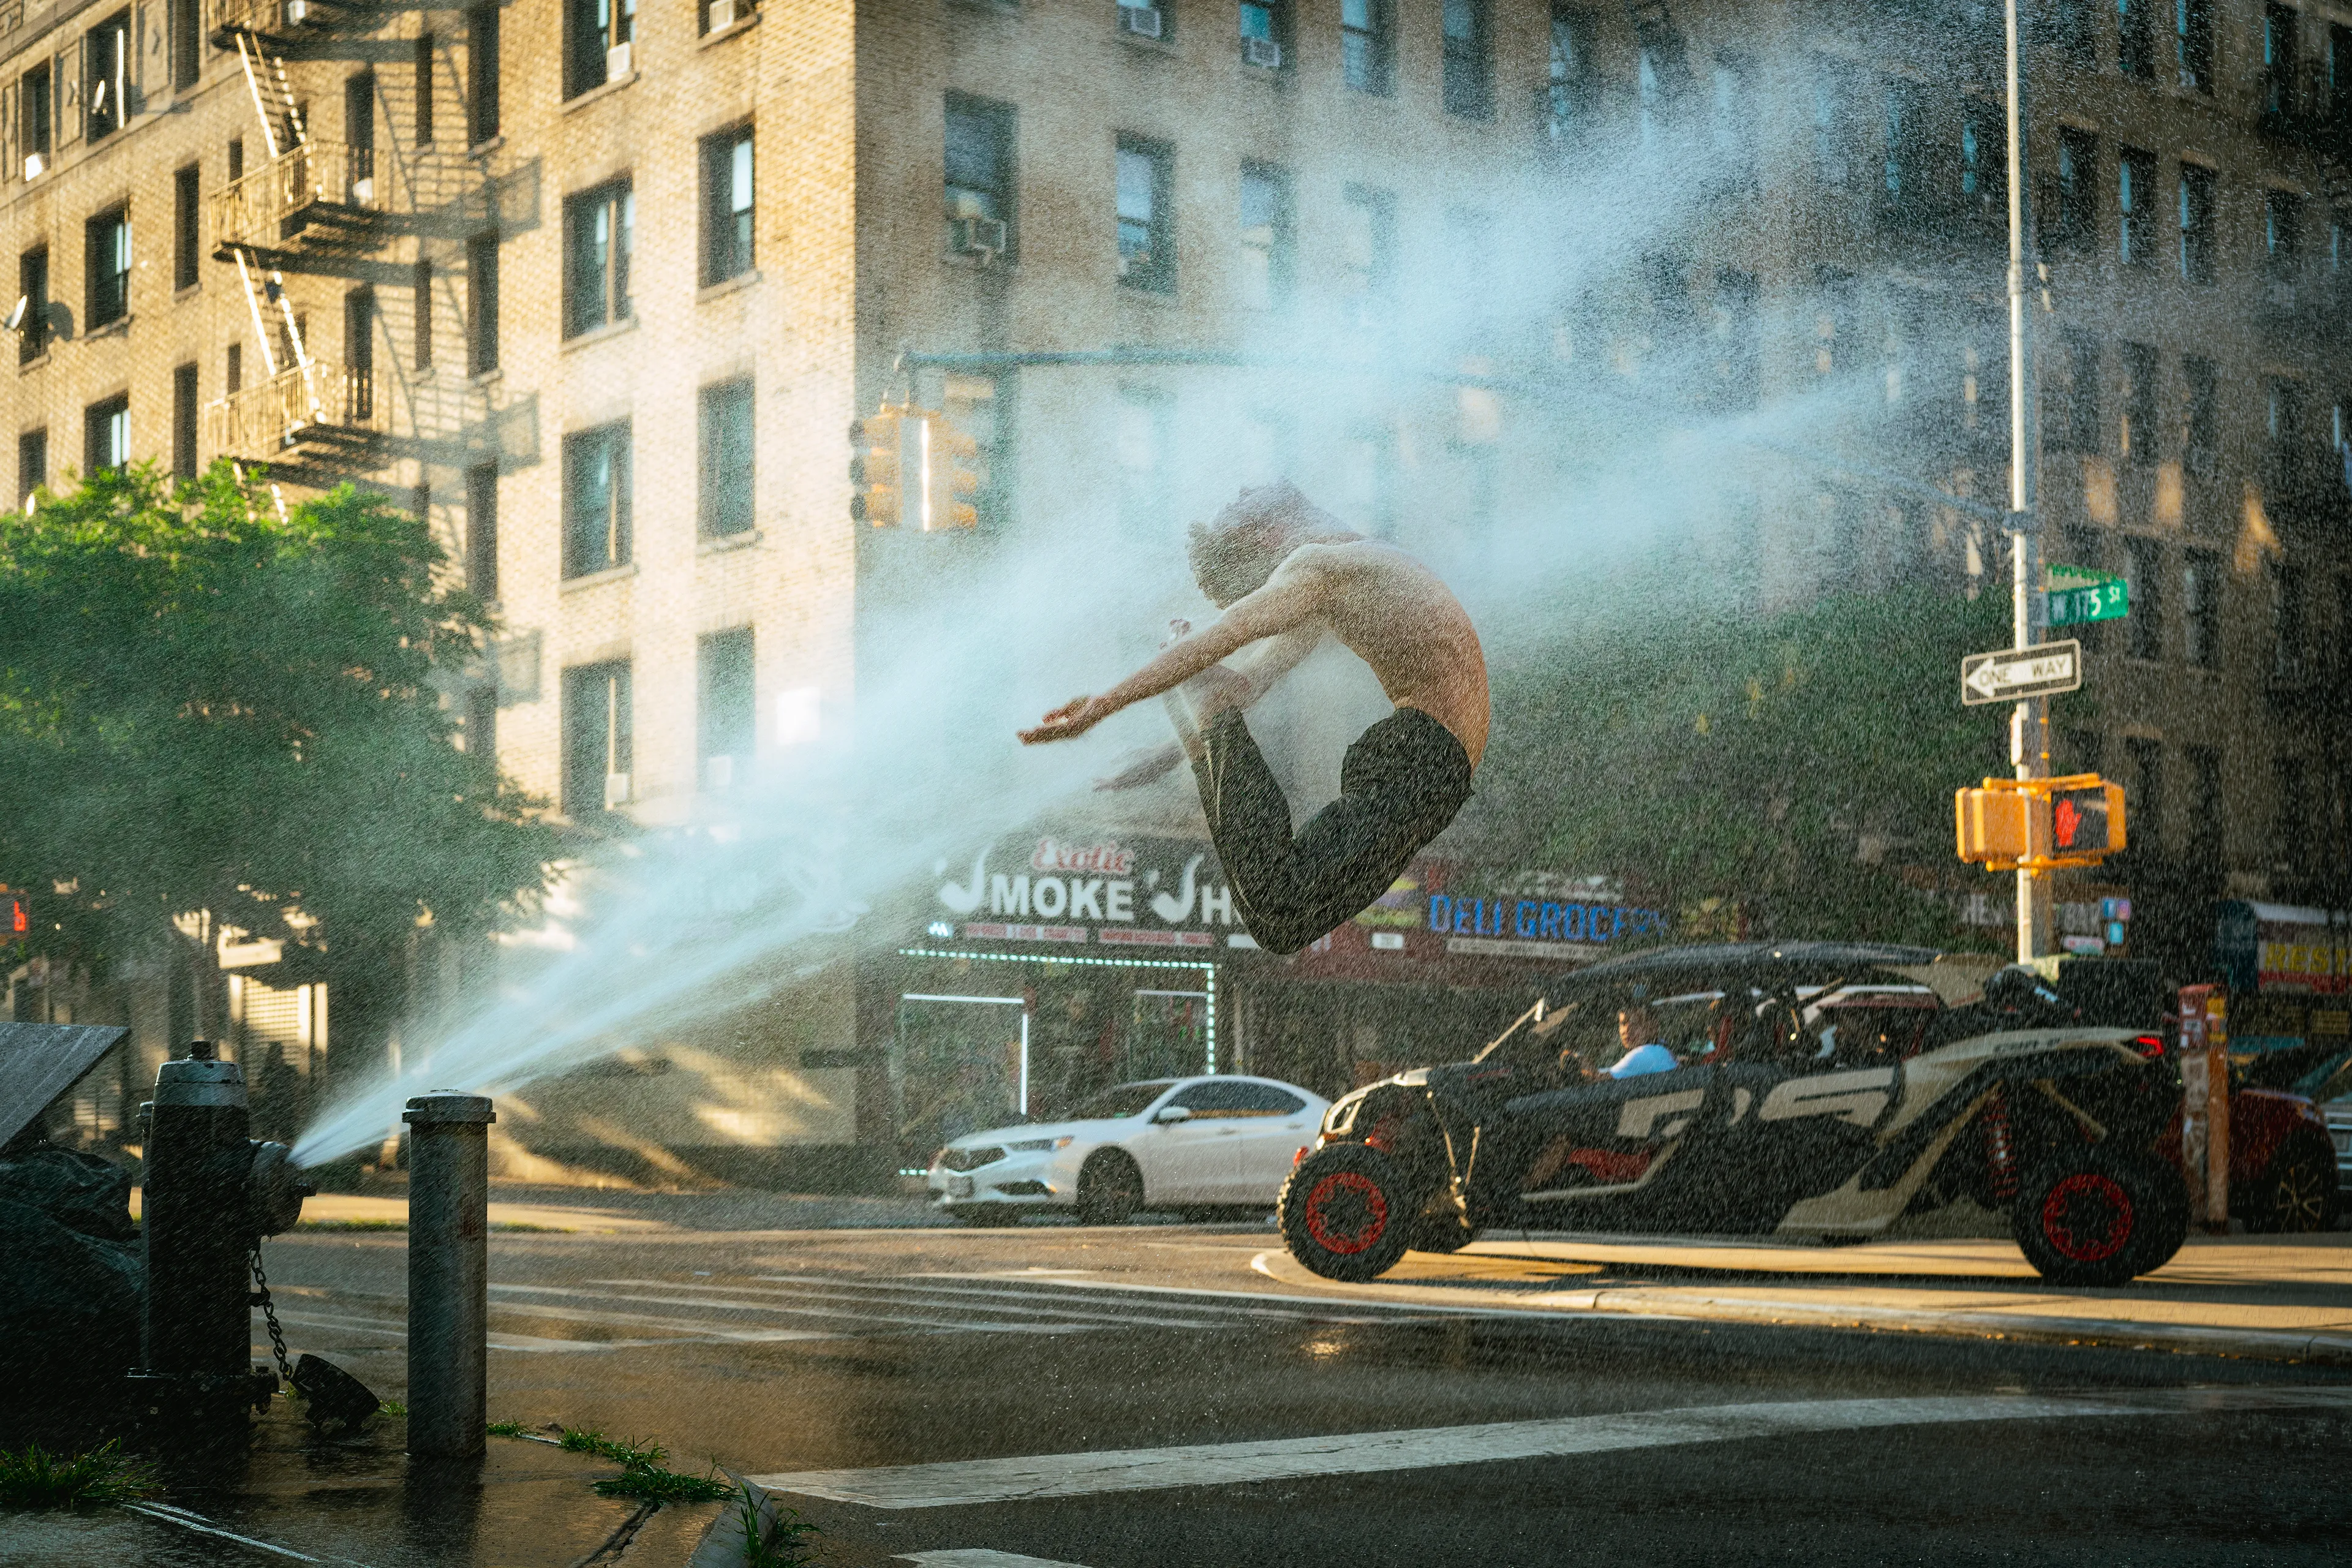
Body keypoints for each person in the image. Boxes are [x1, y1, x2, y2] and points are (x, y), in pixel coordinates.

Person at [1018, 482, 1488, 956]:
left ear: (1268, 535)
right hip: (1428, 765)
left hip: (1425, 760)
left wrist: (1099, 707)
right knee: (1281, 915)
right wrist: (1168, 755)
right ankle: (1203, 723)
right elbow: (1250, 683)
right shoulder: (1361, 570)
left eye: (1265, 584)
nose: (1276, 591)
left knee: (1280, 913)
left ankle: (1204, 718)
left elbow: (1221, 639)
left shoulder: (1319, 568)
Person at [1607, 1003, 1678, 1079]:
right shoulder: (1661, 1047)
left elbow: (1598, 1080)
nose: (1627, 1030)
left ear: (1653, 1026)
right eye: (1623, 1023)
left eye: (1635, 1023)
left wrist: (1592, 1071)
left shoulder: (1642, 1053)